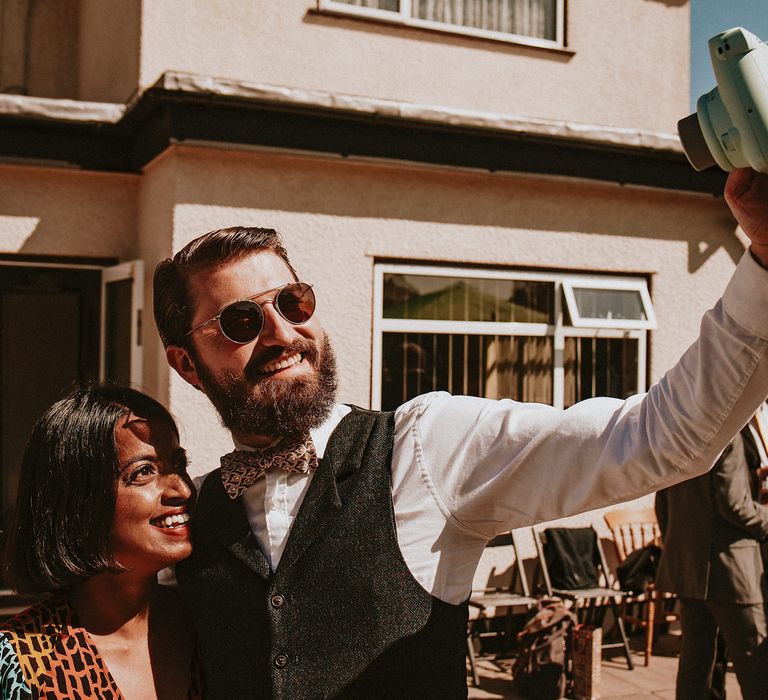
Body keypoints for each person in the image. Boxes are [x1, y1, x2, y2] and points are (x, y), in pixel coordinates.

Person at [153, 168, 768, 698]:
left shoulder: (424, 447)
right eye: (240, 321)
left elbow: (664, 437)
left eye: (293, 302)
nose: (283, 333)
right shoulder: (190, 518)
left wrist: (765, 254)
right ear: (186, 365)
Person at [0, 384, 202, 699]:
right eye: (144, 471)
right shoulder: (25, 660)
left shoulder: (209, 627)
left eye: (178, 465)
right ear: (78, 500)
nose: (183, 490)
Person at [655, 422, 768, 700]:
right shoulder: (729, 431)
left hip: (690, 568)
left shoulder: (679, 432)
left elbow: (663, 502)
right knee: (757, 665)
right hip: (731, 568)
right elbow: (734, 505)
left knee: (696, 669)